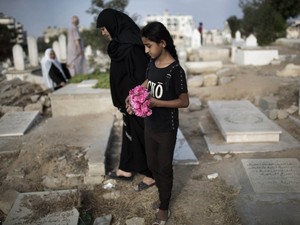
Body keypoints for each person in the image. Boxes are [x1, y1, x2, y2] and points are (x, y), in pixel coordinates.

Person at [129, 21, 189, 225]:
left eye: (149, 46)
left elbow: (184, 101)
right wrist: (135, 97)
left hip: (166, 128)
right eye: (145, 46)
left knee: (164, 167)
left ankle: (164, 205)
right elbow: (147, 83)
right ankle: (161, 190)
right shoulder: (152, 64)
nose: (146, 50)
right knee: (153, 164)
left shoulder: (175, 70)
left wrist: (157, 103)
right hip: (150, 125)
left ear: (162, 43)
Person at [96, 8, 155, 190]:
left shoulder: (132, 45)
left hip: (137, 100)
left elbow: (144, 74)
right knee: (129, 133)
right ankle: (126, 169)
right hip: (127, 101)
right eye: (101, 30)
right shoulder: (119, 44)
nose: (103, 32)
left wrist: (134, 99)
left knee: (142, 135)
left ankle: (152, 174)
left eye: (104, 28)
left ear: (113, 24)